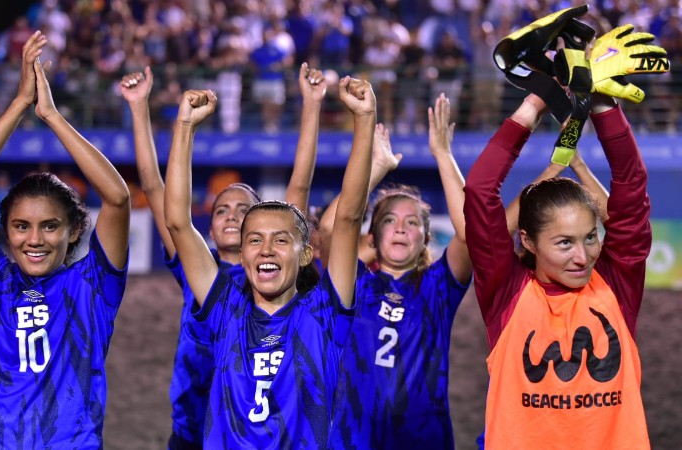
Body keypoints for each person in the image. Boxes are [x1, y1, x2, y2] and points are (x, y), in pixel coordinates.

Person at [122, 62, 328, 449]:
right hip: (194, 408)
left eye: (242, 210)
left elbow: (299, 186)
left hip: (253, 410)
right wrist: (138, 107)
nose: (232, 215)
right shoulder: (198, 269)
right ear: (211, 230)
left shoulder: (275, 274)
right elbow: (154, 186)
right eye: (221, 210)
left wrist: (312, 104)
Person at [163, 75, 375, 447]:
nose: (265, 250)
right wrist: (184, 128)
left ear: (307, 253)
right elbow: (178, 222)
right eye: (255, 240)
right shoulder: (226, 310)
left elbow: (348, 219)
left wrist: (365, 120)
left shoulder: (323, 314)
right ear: (242, 254)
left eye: (281, 240)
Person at [0, 31, 131, 448]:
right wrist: (18, 105)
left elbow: (117, 199)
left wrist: (50, 115)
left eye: (50, 226)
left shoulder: (93, 286)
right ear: (6, 230)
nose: (35, 239)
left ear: (75, 230)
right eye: (21, 226)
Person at [464, 76, 652, 450]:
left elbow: (630, 190)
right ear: (528, 241)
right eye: (564, 243)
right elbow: (480, 192)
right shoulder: (507, 294)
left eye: (591, 237)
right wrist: (534, 104)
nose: (582, 257)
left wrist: (602, 104)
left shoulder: (616, 285)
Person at [324, 95, 473, 449]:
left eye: (412, 222)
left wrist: (443, 155)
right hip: (353, 439)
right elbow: (330, 233)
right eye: (389, 221)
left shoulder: (438, 287)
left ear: (426, 238)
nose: (402, 229)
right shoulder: (356, 283)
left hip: (423, 440)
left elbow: (472, 231)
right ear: (371, 237)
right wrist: (377, 167)